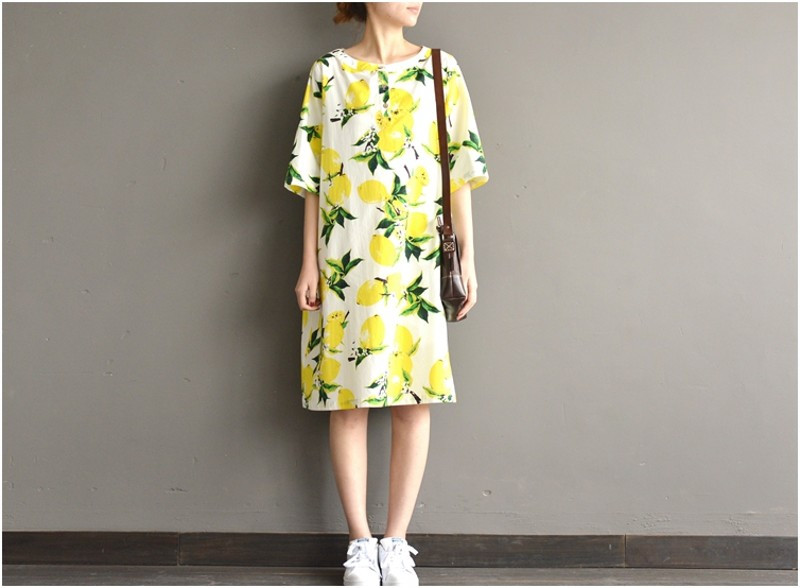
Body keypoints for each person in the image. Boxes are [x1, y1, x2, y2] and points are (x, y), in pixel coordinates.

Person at [283, 2, 489, 585]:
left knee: (413, 399)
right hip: (344, 260)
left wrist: (468, 259)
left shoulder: (441, 70)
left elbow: (459, 173)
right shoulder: (329, 73)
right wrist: (309, 263)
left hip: (416, 262)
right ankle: (359, 543)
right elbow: (313, 178)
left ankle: (395, 543)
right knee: (346, 401)